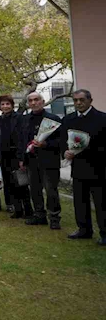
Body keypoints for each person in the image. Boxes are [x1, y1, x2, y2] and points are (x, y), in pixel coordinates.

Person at [62, 89, 106, 245]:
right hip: (78, 169)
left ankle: (104, 233)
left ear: (90, 100)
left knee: (101, 203)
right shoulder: (68, 119)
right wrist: (65, 152)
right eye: (75, 100)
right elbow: (62, 141)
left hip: (98, 168)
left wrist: (85, 149)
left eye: (81, 100)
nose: (78, 103)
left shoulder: (102, 118)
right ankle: (84, 229)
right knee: (80, 201)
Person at [18, 92, 63, 229]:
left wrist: (46, 145)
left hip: (49, 161)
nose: (33, 103)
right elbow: (22, 140)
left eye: (36, 100)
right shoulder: (25, 119)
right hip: (31, 160)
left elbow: (62, 141)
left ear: (43, 102)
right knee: (35, 190)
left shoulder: (53, 118)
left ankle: (54, 217)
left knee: (51, 190)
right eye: (30, 100)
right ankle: (39, 215)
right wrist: (21, 159)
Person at [0, 94, 33, 219]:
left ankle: (28, 210)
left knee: (21, 183)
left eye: (7, 104)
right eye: (2, 104)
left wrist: (21, 157)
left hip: (16, 155)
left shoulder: (19, 118)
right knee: (10, 184)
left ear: (12, 105)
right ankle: (18, 209)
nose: (5, 106)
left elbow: (23, 139)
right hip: (4, 155)